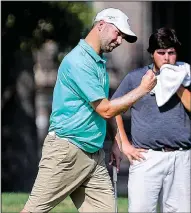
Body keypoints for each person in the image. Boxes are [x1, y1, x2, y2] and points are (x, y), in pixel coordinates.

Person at [21, 8, 157, 213]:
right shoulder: (79, 62)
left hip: (93, 154)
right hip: (66, 152)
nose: (119, 41)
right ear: (101, 25)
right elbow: (105, 110)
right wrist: (142, 90)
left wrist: (116, 143)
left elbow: (106, 104)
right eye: (118, 33)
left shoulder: (98, 61)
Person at [112, 27, 191, 213]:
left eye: (171, 53)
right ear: (151, 54)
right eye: (161, 53)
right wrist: (124, 143)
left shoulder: (186, 76)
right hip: (147, 157)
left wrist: (176, 83)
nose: (166, 58)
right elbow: (113, 109)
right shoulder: (135, 78)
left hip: (181, 156)